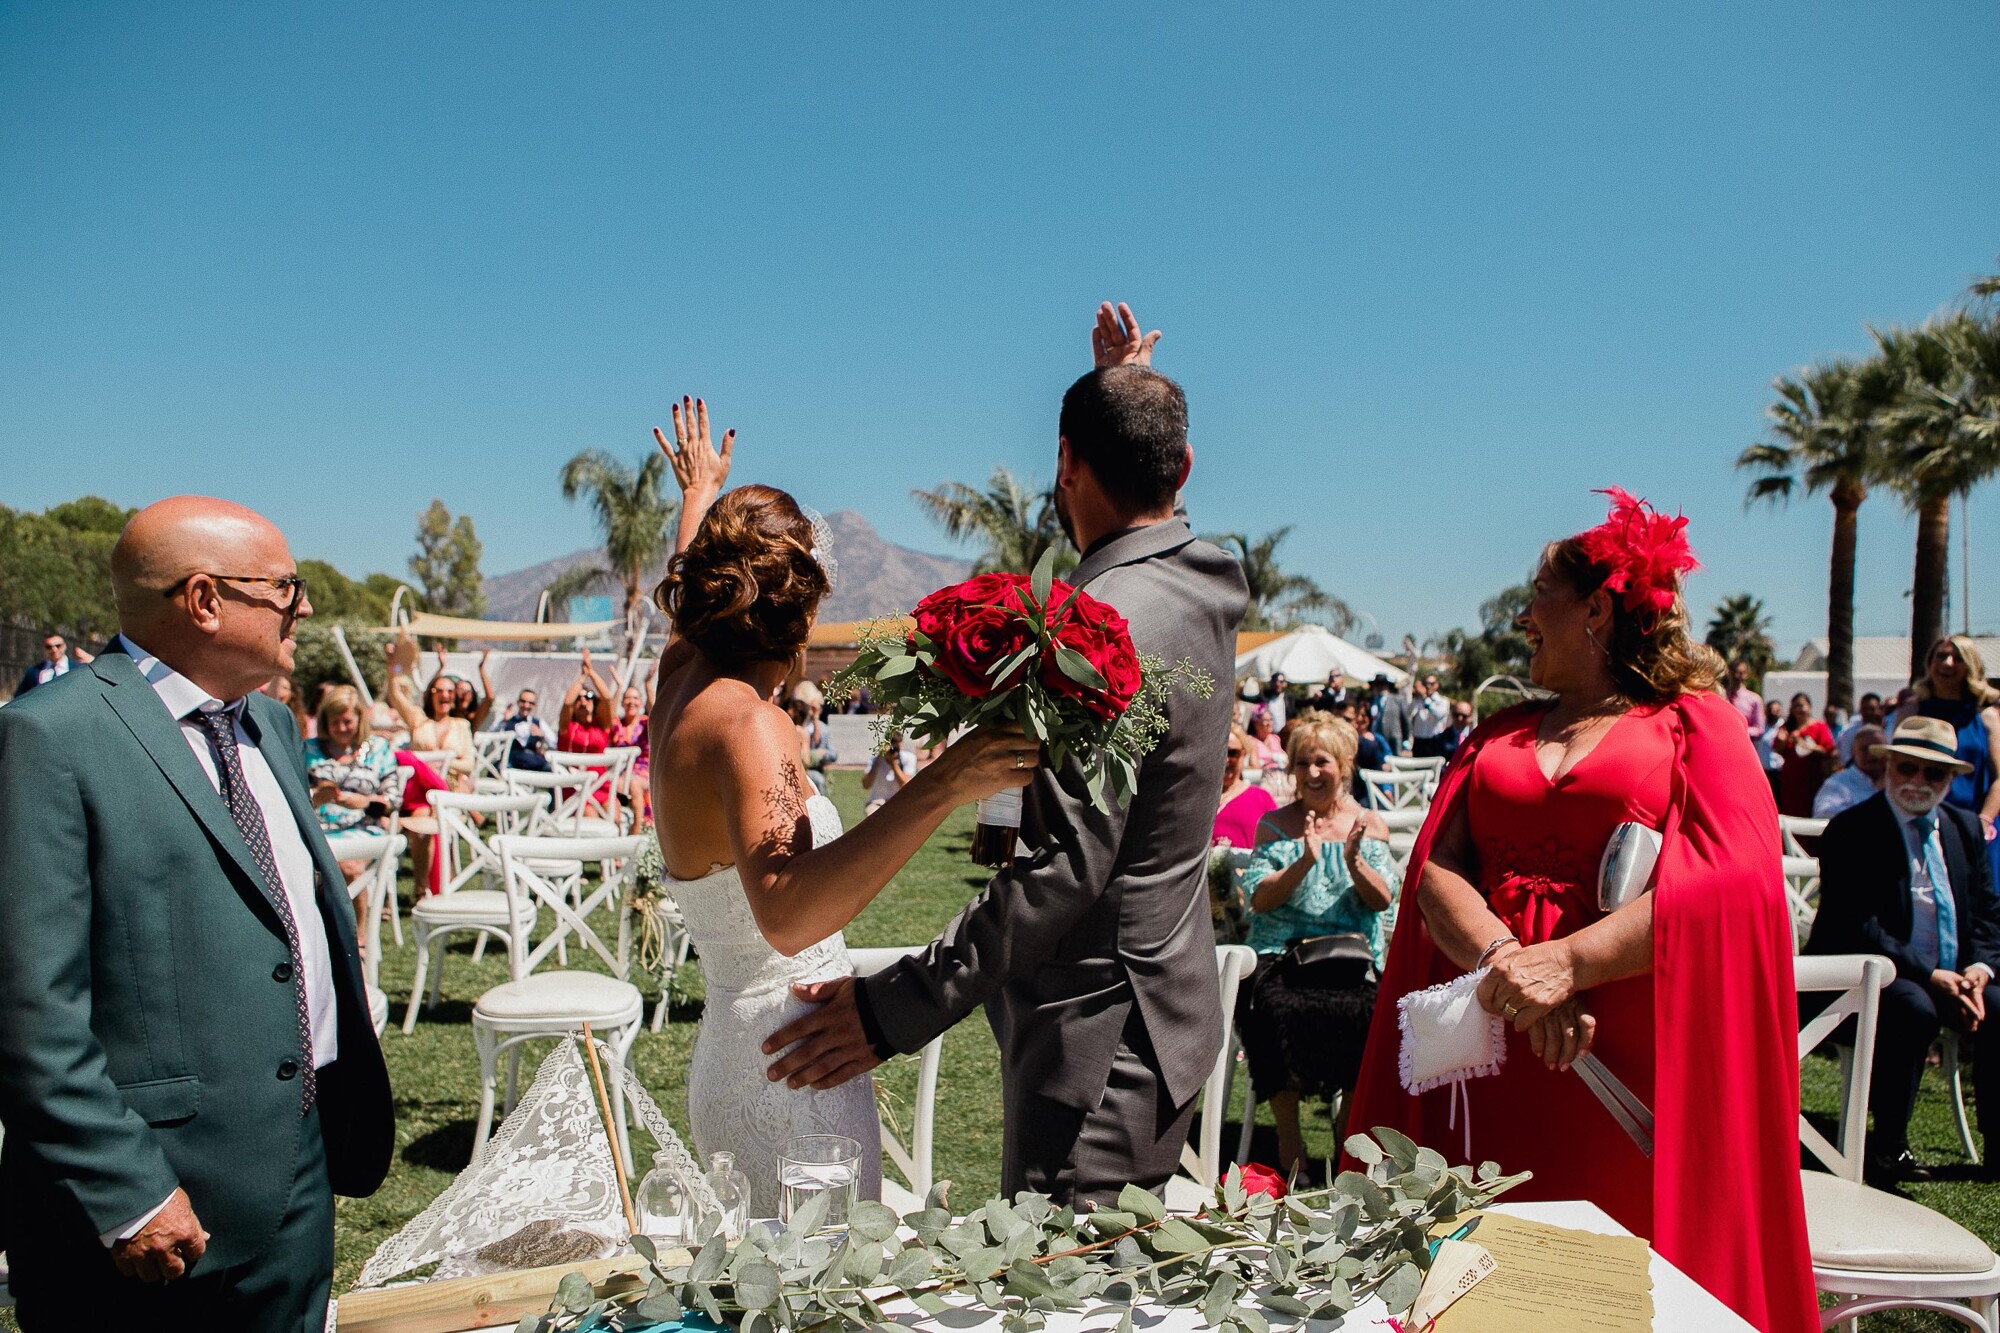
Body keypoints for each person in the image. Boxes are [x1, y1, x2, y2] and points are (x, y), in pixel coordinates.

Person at [768, 302, 1249, 1206]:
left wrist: (889, 1009)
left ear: (1064, 464)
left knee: (1070, 1287)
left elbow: (1063, 871)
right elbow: (1155, 504)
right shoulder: (1207, 584)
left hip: (1098, 1044)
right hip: (1164, 1014)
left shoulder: (1098, 631)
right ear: (1182, 470)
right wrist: (1129, 396)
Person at [1345, 488, 1815, 1333]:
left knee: (1615, 1295)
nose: (1523, 614)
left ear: (1597, 606)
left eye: (1540, 595)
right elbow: (1435, 874)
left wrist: (1569, 963)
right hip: (1499, 1042)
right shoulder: (1499, 731)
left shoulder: (1692, 725)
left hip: (1623, 1058)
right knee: (1488, 1276)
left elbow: (1730, 884)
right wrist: (1507, 963)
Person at [639, 395, 1039, 1217]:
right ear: (802, 609)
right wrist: (944, 783)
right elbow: (786, 912)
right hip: (796, 1065)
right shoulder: (754, 726)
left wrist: (696, 494)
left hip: (734, 1046)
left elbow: (685, 596)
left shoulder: (678, 680)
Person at [0, 496, 391, 1331]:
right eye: (287, 586)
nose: (306, 605)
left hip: (297, 1163)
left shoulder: (274, 726)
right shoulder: (49, 737)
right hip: (151, 1208)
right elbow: (28, 1004)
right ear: (206, 599)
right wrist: (128, 1192)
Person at [1803, 716, 2000, 1184]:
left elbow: (1989, 913)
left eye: (1933, 773)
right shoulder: (1853, 829)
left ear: (1950, 779)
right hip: (1864, 976)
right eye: (1907, 768)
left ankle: (1997, 1152)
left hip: (1953, 976)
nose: (1918, 782)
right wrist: (1933, 975)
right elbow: (1858, 926)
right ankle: (1890, 1147)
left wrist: (1978, 970)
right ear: (1888, 768)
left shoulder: (1966, 829)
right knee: (1913, 1007)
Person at [1236, 713, 1396, 1176]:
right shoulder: (1275, 824)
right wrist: (1304, 862)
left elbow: (1383, 897)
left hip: (1351, 958)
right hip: (1283, 956)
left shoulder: (1367, 824)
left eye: (1321, 761)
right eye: (1302, 762)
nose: (1311, 773)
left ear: (1344, 764)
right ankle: (1290, 1137)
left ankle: (1348, 1133)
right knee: (1274, 1007)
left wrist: (1353, 861)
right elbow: (1261, 901)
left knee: (1369, 1011)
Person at [1898, 635, 2000, 896]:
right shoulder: (1912, 711)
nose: (1947, 663)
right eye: (1940, 656)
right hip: (1919, 823)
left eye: (1957, 658)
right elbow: (1896, 767)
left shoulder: (1986, 717)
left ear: (1970, 666)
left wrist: (1983, 821)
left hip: (1975, 828)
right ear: (1929, 663)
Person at [302, 684, 404, 882]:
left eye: (347, 721)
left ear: (360, 718)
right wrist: (316, 797)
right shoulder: (309, 750)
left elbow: (394, 801)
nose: (341, 728)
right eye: (335, 722)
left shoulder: (378, 748)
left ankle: (357, 914)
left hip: (364, 828)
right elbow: (294, 796)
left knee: (348, 867)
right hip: (319, 830)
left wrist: (364, 802)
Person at [386, 637, 475, 787]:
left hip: (451, 785)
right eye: (438, 691)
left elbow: (469, 765)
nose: (445, 695)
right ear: (431, 695)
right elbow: (395, 694)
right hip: (420, 784)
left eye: (450, 691)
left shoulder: (461, 725)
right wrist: (393, 665)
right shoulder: (417, 719)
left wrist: (441, 763)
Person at [1771, 691, 1836, 817]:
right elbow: (1778, 751)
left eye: (1801, 705)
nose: (1798, 709)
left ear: (1809, 707)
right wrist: (1783, 741)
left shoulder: (1819, 726)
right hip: (1790, 781)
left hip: (1811, 779)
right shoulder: (1787, 727)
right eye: (1795, 706)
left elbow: (1827, 750)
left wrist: (1804, 744)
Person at [1213, 724, 1277, 848]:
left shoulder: (1261, 799)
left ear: (1244, 755)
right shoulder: (1198, 797)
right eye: (1220, 752)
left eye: (1233, 753)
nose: (1226, 759)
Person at [1814, 724, 1886, 819]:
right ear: (1853, 752)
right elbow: (1824, 814)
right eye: (1865, 749)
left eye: (1877, 748)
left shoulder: (1896, 781)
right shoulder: (1837, 784)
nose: (1871, 754)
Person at [609, 685, 652, 818]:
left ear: (640, 702)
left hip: (643, 770)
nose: (631, 702)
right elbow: (608, 715)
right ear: (622, 702)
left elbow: (654, 710)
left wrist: (647, 684)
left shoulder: (645, 723)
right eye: (627, 698)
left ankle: (638, 825)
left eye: (635, 698)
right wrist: (618, 687)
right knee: (615, 783)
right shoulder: (618, 724)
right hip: (620, 771)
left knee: (633, 783)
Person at [491, 686, 555, 771]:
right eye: (523, 701)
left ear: (534, 705)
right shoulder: (508, 718)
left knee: (550, 769)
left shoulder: (539, 722)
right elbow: (490, 735)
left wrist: (542, 735)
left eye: (530, 703)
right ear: (518, 702)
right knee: (499, 768)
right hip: (511, 759)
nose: (526, 705)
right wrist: (504, 720)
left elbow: (554, 742)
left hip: (532, 761)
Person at [13, 632, 92, 697]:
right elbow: (19, 696)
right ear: (44, 648)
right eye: (49, 647)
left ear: (64, 646)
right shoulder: (33, 671)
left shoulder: (78, 669)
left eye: (58, 646)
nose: (54, 650)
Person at [440, 646, 496, 731]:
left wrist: (481, 669)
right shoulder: (445, 714)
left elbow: (490, 698)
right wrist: (441, 668)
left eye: (468, 691)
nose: (464, 694)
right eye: (461, 690)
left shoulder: (472, 719)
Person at [862, 730, 919, 813]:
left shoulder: (909, 758)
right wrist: (879, 758)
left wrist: (893, 763)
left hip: (899, 803)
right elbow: (866, 785)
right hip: (877, 802)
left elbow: (905, 785)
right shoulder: (875, 760)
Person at [1350, 701, 1391, 802]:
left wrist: (1387, 789)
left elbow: (1387, 758)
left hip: (1377, 780)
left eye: (1363, 715)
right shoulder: (1351, 739)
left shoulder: (1377, 739)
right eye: (1357, 716)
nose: (1360, 719)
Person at [1408, 672, 1452, 759]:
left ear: (1437, 685)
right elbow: (1409, 713)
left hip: (1435, 741)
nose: (1428, 686)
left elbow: (1438, 714)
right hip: (1419, 741)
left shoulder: (1442, 701)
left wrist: (1425, 698)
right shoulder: (1417, 700)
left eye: (1431, 684)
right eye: (1425, 684)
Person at [1836, 691, 1886, 764]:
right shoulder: (1849, 732)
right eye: (1865, 709)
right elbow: (1845, 758)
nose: (1868, 713)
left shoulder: (1890, 729)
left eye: (1872, 709)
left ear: (1880, 710)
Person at [261, 672, 313, 738]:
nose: (279, 692)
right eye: (277, 687)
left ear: (292, 693)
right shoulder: (263, 712)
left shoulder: (301, 719)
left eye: (284, 688)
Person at [1368, 674, 1409, 755]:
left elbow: (1406, 721)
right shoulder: (1371, 701)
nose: (1380, 687)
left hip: (1393, 738)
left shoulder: (1398, 700)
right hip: (1375, 738)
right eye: (1377, 685)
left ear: (1387, 686)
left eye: (1382, 684)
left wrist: (1406, 739)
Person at [1725, 658, 1765, 737]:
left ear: (1746, 674)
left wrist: (1741, 731)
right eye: (1734, 672)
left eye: (1741, 673)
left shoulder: (1755, 699)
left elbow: (1759, 729)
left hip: (1744, 742)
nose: (1736, 676)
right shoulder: (1721, 696)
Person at [1244, 706, 1285, 772]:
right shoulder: (1250, 741)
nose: (1269, 723)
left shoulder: (1275, 738)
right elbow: (1254, 766)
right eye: (1266, 720)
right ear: (1256, 724)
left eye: (1271, 719)